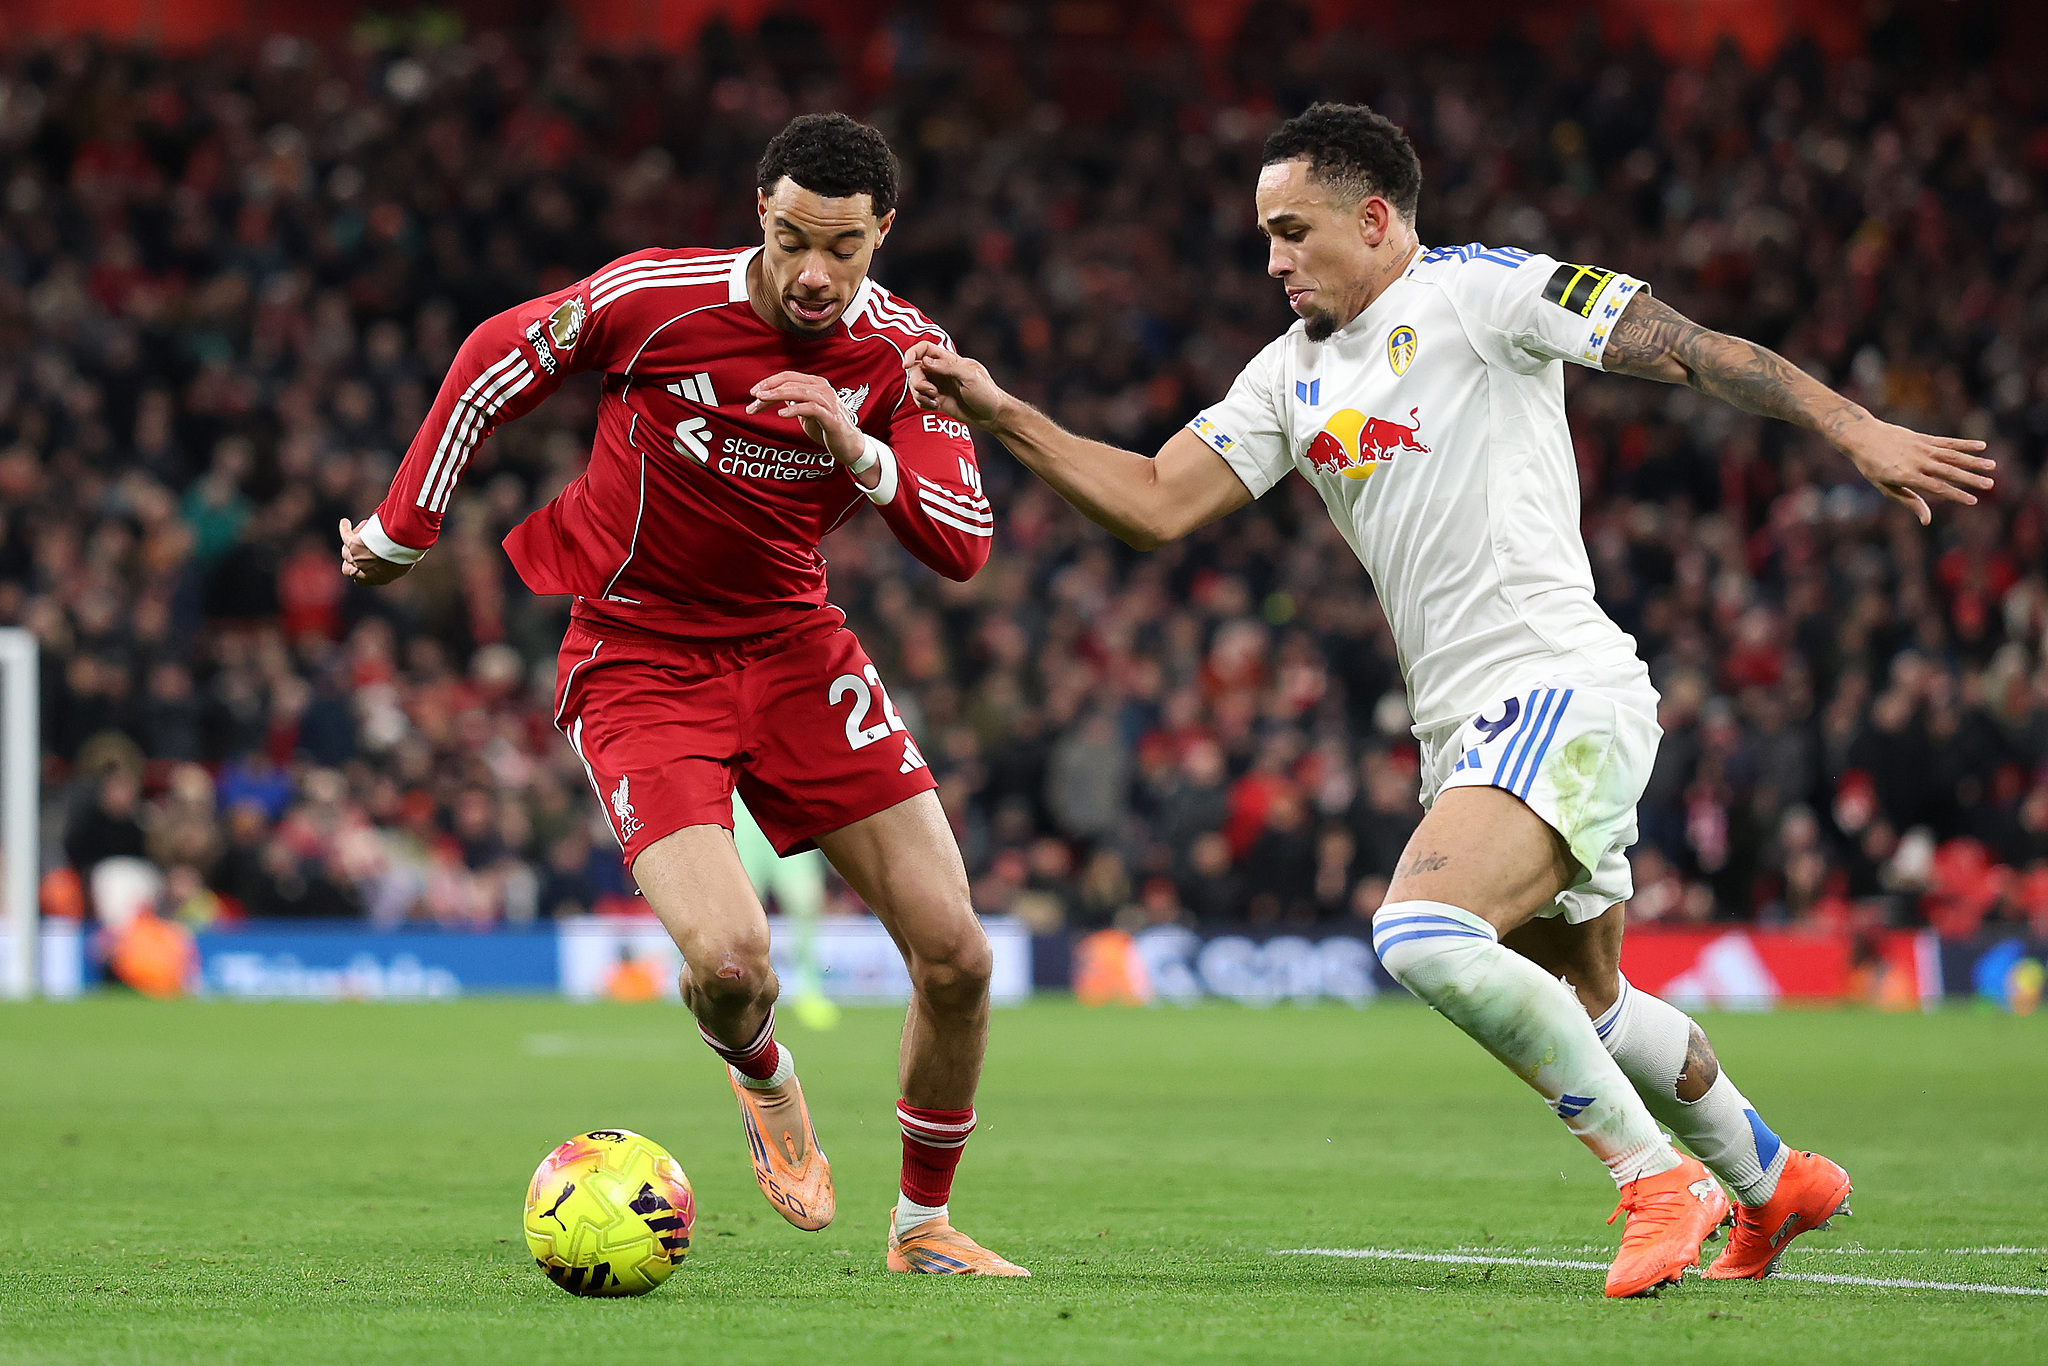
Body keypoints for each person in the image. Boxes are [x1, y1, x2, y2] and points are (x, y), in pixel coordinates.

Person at [904, 102, 1993, 1297]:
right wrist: (1002, 413)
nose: (1270, 259)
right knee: (1592, 999)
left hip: (1554, 685)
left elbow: (1680, 344)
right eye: (1263, 235)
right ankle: (1770, 1176)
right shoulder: (1288, 372)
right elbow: (1160, 499)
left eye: (1291, 231)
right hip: (1464, 728)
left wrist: (1854, 427)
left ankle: (1651, 1178)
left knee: (1418, 931)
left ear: (1373, 221)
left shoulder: (1486, 294)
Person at [340, 113, 1025, 1277]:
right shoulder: (653, 299)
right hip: (639, 658)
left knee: (957, 955)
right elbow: (492, 361)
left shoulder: (906, 353)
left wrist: (860, 448)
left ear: (881, 235)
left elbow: (964, 543)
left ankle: (922, 1229)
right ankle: (762, 1074)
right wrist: (407, 528)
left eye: (845, 249)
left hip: (798, 652)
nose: (816, 274)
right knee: (730, 967)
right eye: (795, 239)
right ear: (759, 210)